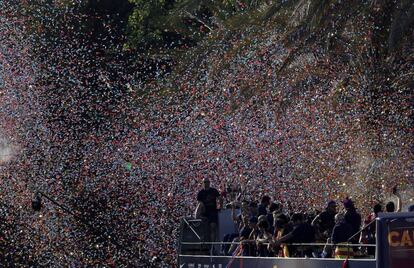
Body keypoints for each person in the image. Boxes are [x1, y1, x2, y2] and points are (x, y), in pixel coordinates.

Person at [197, 178, 223, 243]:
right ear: (202, 183)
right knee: (204, 229)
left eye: (207, 182)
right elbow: (200, 204)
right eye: (205, 182)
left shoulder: (213, 191)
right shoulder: (200, 193)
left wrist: (221, 207)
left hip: (212, 211)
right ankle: (205, 243)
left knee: (213, 227)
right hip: (204, 213)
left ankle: (212, 245)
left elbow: (220, 198)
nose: (206, 183)